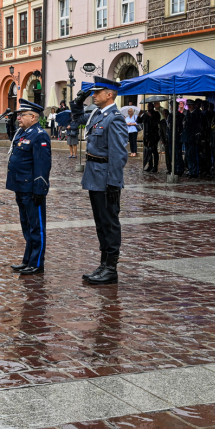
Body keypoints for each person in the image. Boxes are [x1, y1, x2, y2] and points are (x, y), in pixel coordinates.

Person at [70, 76, 127, 285]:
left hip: (106, 178)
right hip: (94, 176)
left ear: (109, 94)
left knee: (109, 223)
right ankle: (103, 264)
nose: (93, 95)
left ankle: (111, 268)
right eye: (92, 92)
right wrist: (77, 102)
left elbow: (119, 155)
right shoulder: (96, 114)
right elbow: (77, 117)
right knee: (100, 223)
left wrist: (114, 182)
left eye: (97, 92)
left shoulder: (115, 118)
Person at [6, 99, 52, 276]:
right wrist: (9, 121)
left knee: (36, 227)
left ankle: (37, 262)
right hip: (20, 187)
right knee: (26, 226)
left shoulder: (39, 135)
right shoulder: (23, 132)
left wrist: (40, 189)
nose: (19, 118)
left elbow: (42, 165)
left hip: (32, 189)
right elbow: (11, 136)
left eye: (21, 115)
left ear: (33, 117)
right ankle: (27, 259)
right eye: (18, 115)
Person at [138, 102, 161, 173]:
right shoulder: (145, 114)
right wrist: (139, 115)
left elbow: (157, 121)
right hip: (146, 135)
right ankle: (149, 165)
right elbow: (139, 121)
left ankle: (155, 166)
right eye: (148, 106)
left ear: (153, 106)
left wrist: (151, 116)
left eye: (150, 106)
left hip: (153, 135)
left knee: (154, 151)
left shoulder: (156, 113)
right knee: (148, 151)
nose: (149, 107)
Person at [182, 100, 201, 177]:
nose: (189, 107)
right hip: (187, 137)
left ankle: (195, 171)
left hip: (193, 138)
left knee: (194, 155)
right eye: (188, 105)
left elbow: (197, 127)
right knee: (188, 155)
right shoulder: (187, 114)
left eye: (191, 105)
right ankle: (190, 170)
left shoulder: (197, 114)